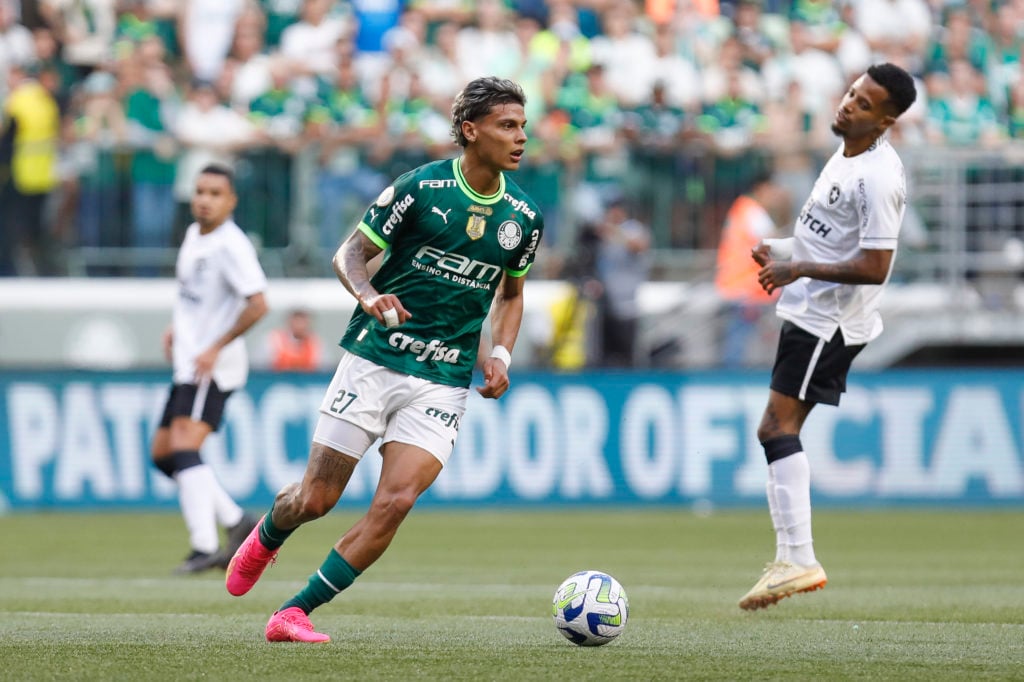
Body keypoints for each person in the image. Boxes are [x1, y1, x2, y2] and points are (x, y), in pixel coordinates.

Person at [223, 76, 543, 643]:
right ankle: (271, 531)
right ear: (470, 131)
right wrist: (368, 297)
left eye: (522, 126)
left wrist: (500, 353)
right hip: (374, 361)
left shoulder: (524, 216)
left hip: (443, 379)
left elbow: (511, 294)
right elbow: (349, 253)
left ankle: (293, 613)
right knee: (315, 500)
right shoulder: (420, 189)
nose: (521, 137)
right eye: (507, 126)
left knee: (395, 501)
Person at [738, 63, 917, 610]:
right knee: (777, 428)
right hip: (811, 311)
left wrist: (800, 271)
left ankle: (798, 558)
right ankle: (793, 557)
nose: (848, 105)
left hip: (829, 321)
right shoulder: (846, 154)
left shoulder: (879, 177)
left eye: (864, 104)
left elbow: (874, 266)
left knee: (775, 427)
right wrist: (784, 249)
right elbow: (830, 238)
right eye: (850, 93)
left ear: (885, 119)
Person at [151, 163, 268, 574]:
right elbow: (196, 298)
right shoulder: (193, 235)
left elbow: (258, 304)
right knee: (163, 455)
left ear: (231, 201)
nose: (205, 199)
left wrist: (214, 346)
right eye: (200, 191)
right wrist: (177, 328)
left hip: (211, 365)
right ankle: (237, 521)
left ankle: (204, 545)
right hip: (189, 358)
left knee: (184, 447)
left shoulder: (230, 245)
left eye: (215, 193)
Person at [714, 170, 788, 368]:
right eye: (773, 189)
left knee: (741, 343)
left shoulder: (742, 210)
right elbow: (776, 246)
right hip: (748, 290)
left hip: (739, 287)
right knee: (737, 347)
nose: (776, 194)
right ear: (761, 188)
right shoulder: (753, 212)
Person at [594, 196, 652, 367]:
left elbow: (640, 246)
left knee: (626, 357)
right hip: (605, 303)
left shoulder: (633, 229)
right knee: (604, 357)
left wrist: (615, 233)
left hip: (627, 305)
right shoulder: (604, 234)